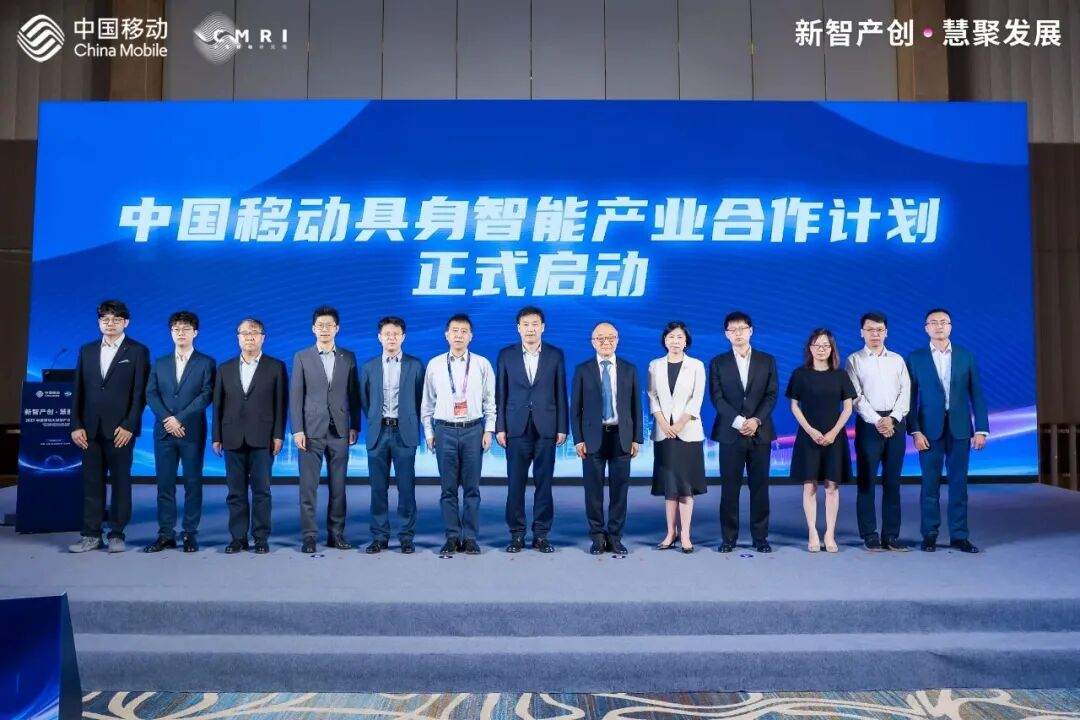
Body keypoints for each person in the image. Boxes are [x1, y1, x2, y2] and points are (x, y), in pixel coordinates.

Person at [68, 300, 150, 553]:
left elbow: (140, 393)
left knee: (121, 483)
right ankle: (91, 535)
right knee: (91, 483)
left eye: (116, 319)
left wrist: (129, 425)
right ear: (99, 322)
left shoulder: (137, 351)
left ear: (126, 322)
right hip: (89, 429)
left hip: (120, 431)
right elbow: (78, 390)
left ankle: (117, 534)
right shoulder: (87, 350)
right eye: (105, 319)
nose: (110, 324)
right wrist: (76, 424)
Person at [906, 309, 989, 553]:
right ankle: (930, 534)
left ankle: (959, 535)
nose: (939, 326)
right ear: (926, 328)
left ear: (951, 326)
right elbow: (909, 399)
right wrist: (915, 431)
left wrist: (981, 429)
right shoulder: (915, 358)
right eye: (934, 322)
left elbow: (977, 395)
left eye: (943, 322)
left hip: (960, 430)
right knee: (929, 485)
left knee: (959, 485)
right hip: (928, 432)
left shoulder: (966, 356)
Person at [420, 313, 496, 556]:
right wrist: (429, 432)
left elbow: (490, 400)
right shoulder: (435, 365)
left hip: (473, 430)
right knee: (448, 489)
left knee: (472, 488)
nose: (459, 335)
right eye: (454, 331)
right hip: (444, 431)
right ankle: (452, 536)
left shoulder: (482, 364)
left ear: (471, 336)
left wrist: (489, 430)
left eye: (464, 331)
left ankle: (471, 537)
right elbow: (427, 403)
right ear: (446, 335)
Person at [496, 306, 568, 554]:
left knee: (544, 484)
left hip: (546, 427)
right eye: (525, 324)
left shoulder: (555, 355)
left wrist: (562, 426)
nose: (530, 329)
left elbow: (560, 392)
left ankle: (541, 535)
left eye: (535, 324)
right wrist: (500, 427)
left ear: (542, 327)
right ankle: (517, 534)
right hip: (515, 428)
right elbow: (501, 393)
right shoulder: (506, 355)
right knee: (515, 485)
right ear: (518, 328)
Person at [212, 318, 288, 555]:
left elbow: (281, 404)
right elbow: (218, 405)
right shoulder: (224, 368)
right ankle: (238, 538)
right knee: (235, 492)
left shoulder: (276, 367)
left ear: (263, 337)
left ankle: (261, 537)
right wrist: (216, 436)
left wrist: (278, 435)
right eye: (244, 333)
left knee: (262, 491)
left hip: (263, 438)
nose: (249, 337)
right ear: (238, 338)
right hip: (231, 436)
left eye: (254, 333)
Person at [290, 306, 361, 554]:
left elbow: (354, 394)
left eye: (329, 325)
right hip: (310, 432)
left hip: (340, 431)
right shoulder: (302, 357)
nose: (324, 330)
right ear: (313, 329)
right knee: (308, 487)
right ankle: (309, 536)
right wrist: (297, 430)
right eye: (320, 325)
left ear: (337, 328)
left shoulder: (348, 357)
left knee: (338, 487)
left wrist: (355, 425)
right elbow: (296, 397)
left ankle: (336, 534)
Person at [143, 310, 215, 553]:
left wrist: (180, 419)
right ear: (171, 333)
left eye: (185, 329)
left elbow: (206, 395)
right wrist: (168, 419)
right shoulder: (160, 363)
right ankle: (166, 534)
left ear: (195, 332)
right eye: (176, 329)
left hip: (190, 431)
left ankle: (189, 533)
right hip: (164, 432)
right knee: (165, 485)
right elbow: (151, 394)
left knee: (193, 484)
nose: (180, 333)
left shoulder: (206, 362)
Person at [708, 311, 778, 553]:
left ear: (751, 331)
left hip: (760, 433)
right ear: (726, 334)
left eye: (742, 329)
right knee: (730, 488)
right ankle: (729, 538)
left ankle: (761, 537)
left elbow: (771, 395)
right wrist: (739, 422)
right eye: (732, 330)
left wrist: (756, 420)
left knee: (760, 488)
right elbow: (717, 398)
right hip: (730, 434)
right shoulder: (718, 362)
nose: (737, 333)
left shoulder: (767, 360)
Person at [570, 321, 642, 555]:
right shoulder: (583, 370)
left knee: (620, 491)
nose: (605, 342)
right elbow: (575, 408)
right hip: (593, 437)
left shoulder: (629, 369)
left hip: (622, 436)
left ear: (617, 340)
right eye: (600, 338)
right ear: (593, 342)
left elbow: (636, 406)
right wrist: (578, 439)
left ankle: (615, 537)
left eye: (610, 337)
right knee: (593, 492)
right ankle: (597, 537)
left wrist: (636, 438)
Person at [845, 311, 911, 552]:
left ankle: (891, 535)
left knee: (892, 481)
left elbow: (906, 392)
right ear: (861, 332)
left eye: (879, 330)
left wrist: (892, 419)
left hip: (896, 423)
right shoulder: (854, 360)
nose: (875, 334)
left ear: (886, 332)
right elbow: (855, 396)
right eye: (870, 330)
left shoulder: (897, 360)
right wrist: (877, 420)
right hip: (868, 425)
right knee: (867, 481)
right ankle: (869, 534)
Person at [786, 329, 855, 554]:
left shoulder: (841, 375)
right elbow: (794, 406)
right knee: (810, 485)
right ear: (810, 348)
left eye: (826, 345)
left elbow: (848, 408)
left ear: (832, 349)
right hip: (809, 436)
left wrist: (834, 432)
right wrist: (809, 430)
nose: (821, 349)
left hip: (834, 436)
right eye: (817, 345)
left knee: (832, 486)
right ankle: (813, 532)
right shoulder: (800, 374)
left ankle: (830, 534)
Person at [359, 316, 424, 554]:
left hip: (404, 432)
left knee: (406, 489)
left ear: (403, 337)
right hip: (378, 433)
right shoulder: (369, 367)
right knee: (378, 489)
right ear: (379, 337)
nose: (391, 338)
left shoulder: (415, 365)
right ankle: (379, 536)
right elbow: (365, 400)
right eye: (387, 334)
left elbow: (420, 398)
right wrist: (377, 419)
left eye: (396, 334)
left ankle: (406, 537)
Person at [647, 321, 707, 554]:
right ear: (664, 340)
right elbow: (652, 395)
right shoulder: (655, 365)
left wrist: (680, 424)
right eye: (671, 337)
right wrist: (663, 423)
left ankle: (686, 535)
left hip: (688, 432)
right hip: (664, 433)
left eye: (679, 337)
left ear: (686, 341)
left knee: (685, 486)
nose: (675, 341)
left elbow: (697, 398)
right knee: (669, 486)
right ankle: (670, 533)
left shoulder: (696, 365)